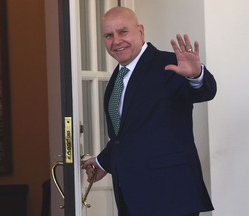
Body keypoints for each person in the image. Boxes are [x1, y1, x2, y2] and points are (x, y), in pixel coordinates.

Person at [82, 6, 216, 216]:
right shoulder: (117, 79)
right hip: (132, 198)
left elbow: (204, 92)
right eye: (109, 35)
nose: (116, 41)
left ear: (141, 31)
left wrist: (196, 75)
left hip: (171, 196)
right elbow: (129, 135)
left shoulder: (170, 65)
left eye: (123, 32)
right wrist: (102, 162)